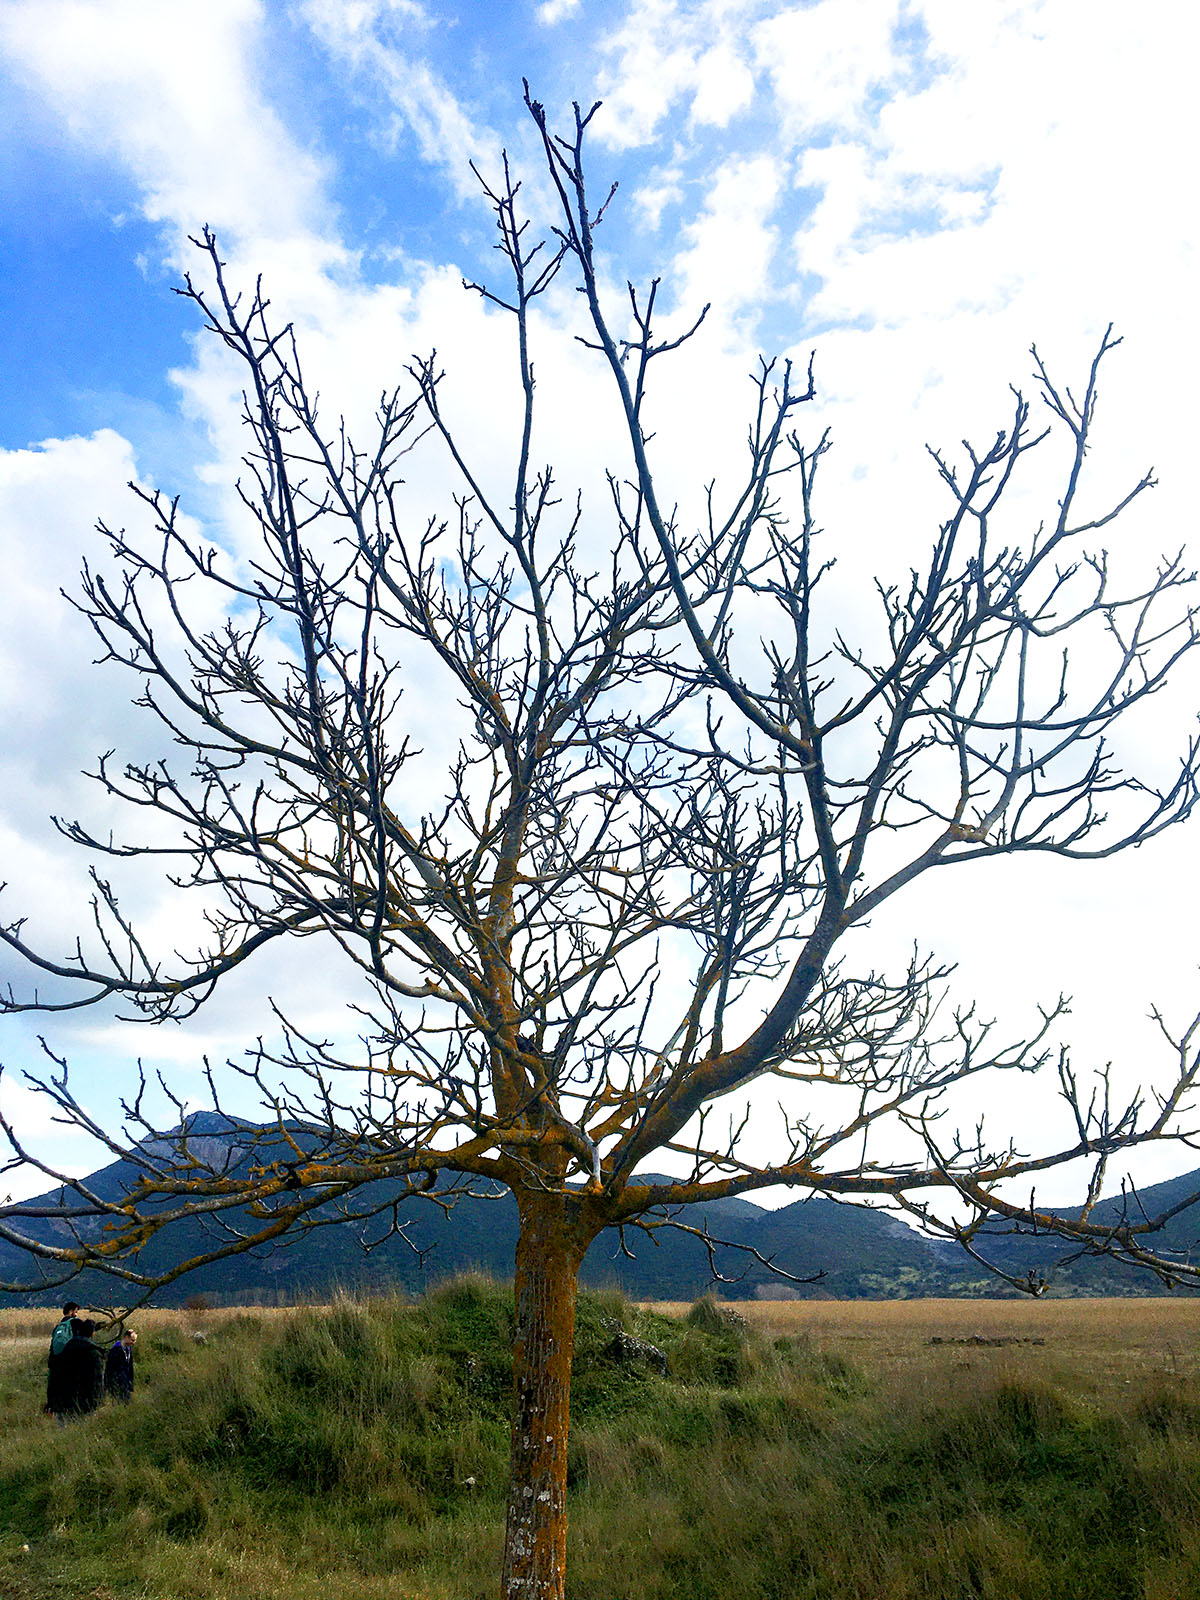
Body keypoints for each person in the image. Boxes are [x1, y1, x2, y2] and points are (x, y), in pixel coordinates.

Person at [50, 1319, 104, 1423]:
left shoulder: (64, 1350)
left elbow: (55, 1377)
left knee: (64, 1434)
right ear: (92, 1334)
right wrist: (98, 1402)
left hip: (64, 1403)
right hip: (85, 1404)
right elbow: (96, 1381)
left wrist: (53, 1402)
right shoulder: (93, 1353)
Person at [45, 1302, 80, 1414]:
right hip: (68, 1365)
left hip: (55, 1365)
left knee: (56, 1393)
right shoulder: (74, 1324)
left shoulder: (58, 1327)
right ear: (71, 1311)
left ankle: (54, 1412)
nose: (77, 1314)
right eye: (76, 1311)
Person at [104, 1328, 137, 1402]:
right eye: (132, 1340)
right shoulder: (115, 1350)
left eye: (134, 1340)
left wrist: (130, 1383)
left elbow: (130, 1366)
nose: (133, 1342)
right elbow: (110, 1369)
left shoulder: (128, 1350)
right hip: (116, 1382)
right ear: (126, 1337)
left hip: (126, 1382)